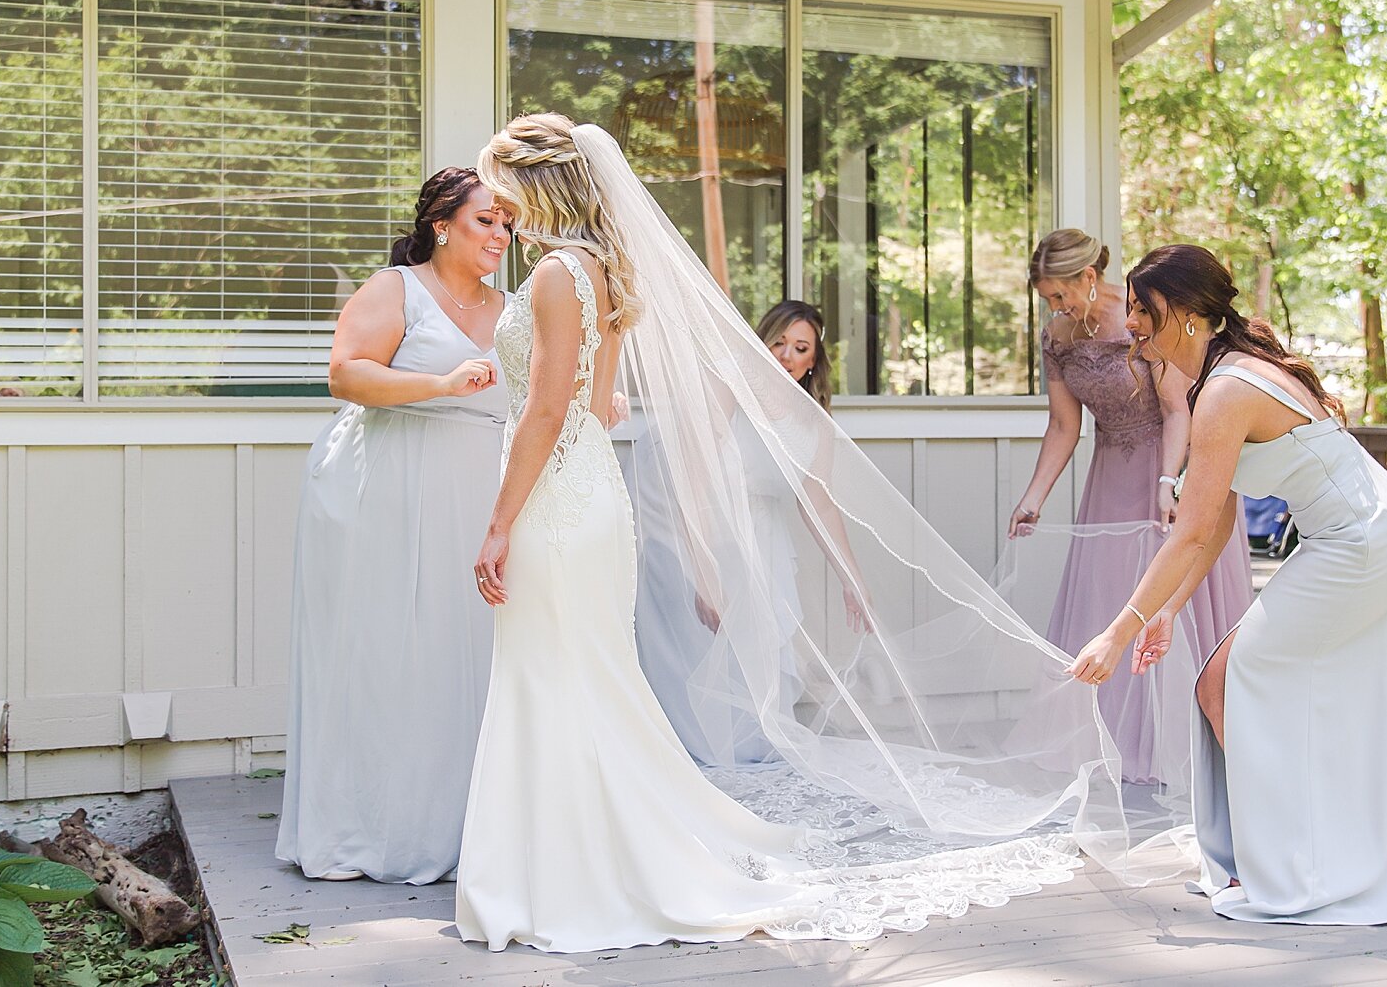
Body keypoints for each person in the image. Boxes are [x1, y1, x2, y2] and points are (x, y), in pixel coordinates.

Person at [454, 114, 1168, 955]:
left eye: (502, 190)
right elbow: (605, 405)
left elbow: (546, 408)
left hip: (552, 502)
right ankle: (580, 858)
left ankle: (562, 869)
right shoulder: (603, 273)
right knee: (585, 677)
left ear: (533, 185)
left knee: (554, 675)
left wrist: (500, 520)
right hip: (590, 492)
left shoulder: (551, 277)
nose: (500, 207)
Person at [1069, 244, 1387, 925]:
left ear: (1181, 313)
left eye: (1144, 312)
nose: (1133, 328)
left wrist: (1116, 633)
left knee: (1227, 682)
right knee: (1231, 681)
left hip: (1361, 543)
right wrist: (1169, 610)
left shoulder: (1228, 389)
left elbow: (1188, 530)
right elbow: (1217, 522)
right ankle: (1283, 853)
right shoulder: (1224, 378)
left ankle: (1294, 861)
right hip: (1362, 536)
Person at [276, 168, 512, 885]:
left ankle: (464, 827)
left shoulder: (516, 307)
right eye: (485, 222)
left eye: (507, 225)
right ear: (441, 225)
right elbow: (346, 375)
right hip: (385, 484)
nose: (500, 236)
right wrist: (440, 385)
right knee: (386, 650)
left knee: (460, 646)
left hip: (476, 486)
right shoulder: (395, 288)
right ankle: (372, 827)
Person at [1008, 229, 1251, 783]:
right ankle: (1114, 743)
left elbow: (1176, 410)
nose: (1055, 307)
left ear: (1088, 278)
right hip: (1109, 480)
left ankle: (1187, 741)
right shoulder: (1058, 335)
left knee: (1169, 598)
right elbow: (1064, 424)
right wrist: (1034, 497)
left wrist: (1169, 481)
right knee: (1108, 600)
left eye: (1060, 295)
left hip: (1166, 470)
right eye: (1047, 299)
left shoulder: (1142, 317)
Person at [632, 301, 867, 765]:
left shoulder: (815, 424)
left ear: (813, 362)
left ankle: (746, 740)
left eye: (800, 348)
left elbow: (817, 501)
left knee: (758, 639)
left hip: (759, 528)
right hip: (687, 517)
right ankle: (683, 744)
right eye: (777, 342)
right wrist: (704, 569)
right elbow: (695, 473)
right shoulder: (729, 387)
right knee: (695, 639)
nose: (785, 354)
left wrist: (851, 579)